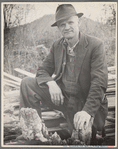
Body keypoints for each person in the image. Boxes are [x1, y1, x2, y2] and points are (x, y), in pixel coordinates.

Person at [20, 4, 108, 145]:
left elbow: (100, 82)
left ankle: (89, 129)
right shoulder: (58, 45)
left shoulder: (95, 45)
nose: (66, 27)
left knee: (85, 140)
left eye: (70, 22)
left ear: (79, 22)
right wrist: (51, 83)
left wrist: (87, 111)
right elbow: (42, 70)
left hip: (85, 103)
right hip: (64, 99)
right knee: (27, 83)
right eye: (62, 24)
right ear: (59, 28)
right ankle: (34, 132)